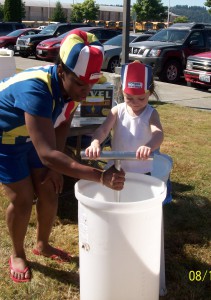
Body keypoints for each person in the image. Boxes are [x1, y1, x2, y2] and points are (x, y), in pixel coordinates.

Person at [0, 29, 125, 283]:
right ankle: (17, 253)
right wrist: (100, 176)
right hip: (5, 139)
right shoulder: (36, 89)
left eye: (91, 84)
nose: (86, 91)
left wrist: (56, 168)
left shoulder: (72, 88)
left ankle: (43, 244)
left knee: (48, 188)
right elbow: (46, 154)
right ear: (61, 70)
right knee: (22, 198)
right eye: (81, 84)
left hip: (30, 136)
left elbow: (62, 123)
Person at [85, 60, 164, 174]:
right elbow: (103, 130)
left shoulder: (151, 113)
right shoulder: (117, 110)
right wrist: (95, 143)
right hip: (116, 168)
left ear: (150, 93)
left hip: (141, 170)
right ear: (122, 92)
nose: (135, 102)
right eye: (129, 98)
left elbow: (158, 133)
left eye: (141, 98)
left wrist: (149, 146)